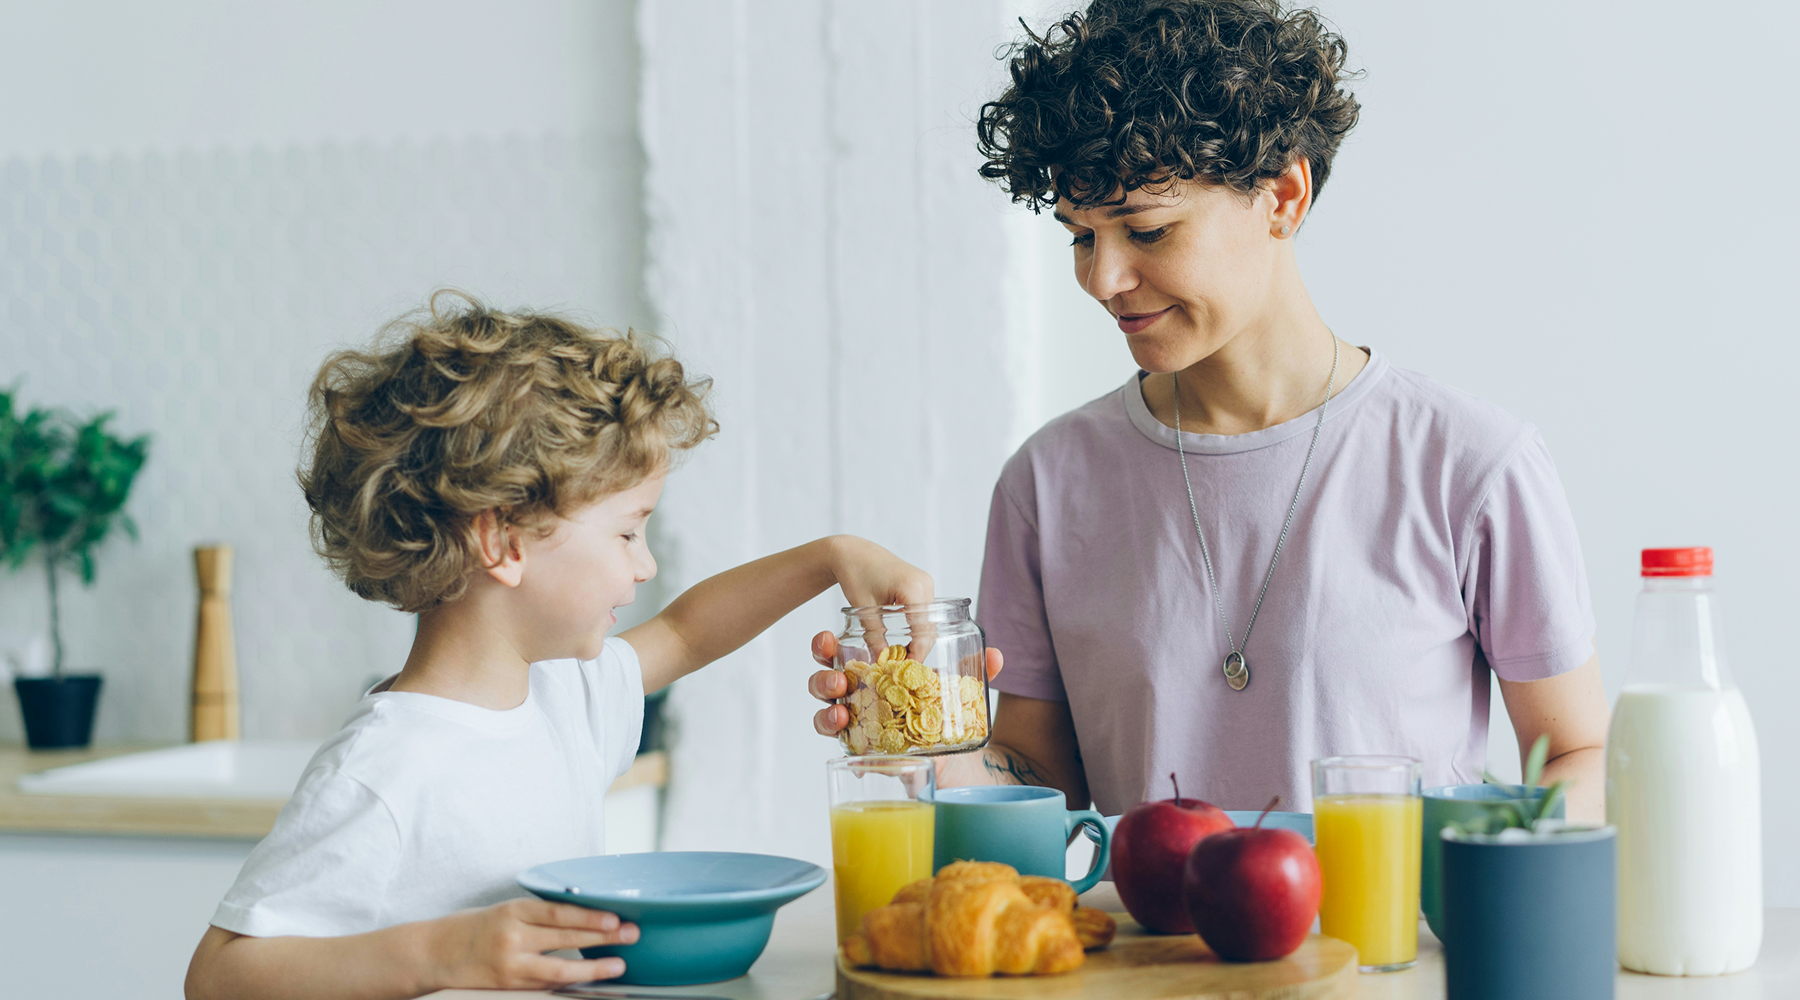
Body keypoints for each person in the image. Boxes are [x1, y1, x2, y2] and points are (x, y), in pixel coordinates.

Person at [809, 0, 1609, 823]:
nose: (1102, 279)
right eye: (1081, 236)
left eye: (1146, 231)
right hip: (1142, 951)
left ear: (1284, 198)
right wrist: (924, 741)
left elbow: (1580, 753)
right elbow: (1044, 784)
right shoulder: (1047, 483)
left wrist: (1499, 874)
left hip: (1383, 952)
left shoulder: (1471, 464)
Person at [185, 293, 935, 1000]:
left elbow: (686, 631)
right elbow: (218, 976)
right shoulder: (384, 770)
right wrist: (443, 954)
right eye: (626, 530)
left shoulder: (560, 696)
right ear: (503, 540)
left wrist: (830, 557)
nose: (643, 565)